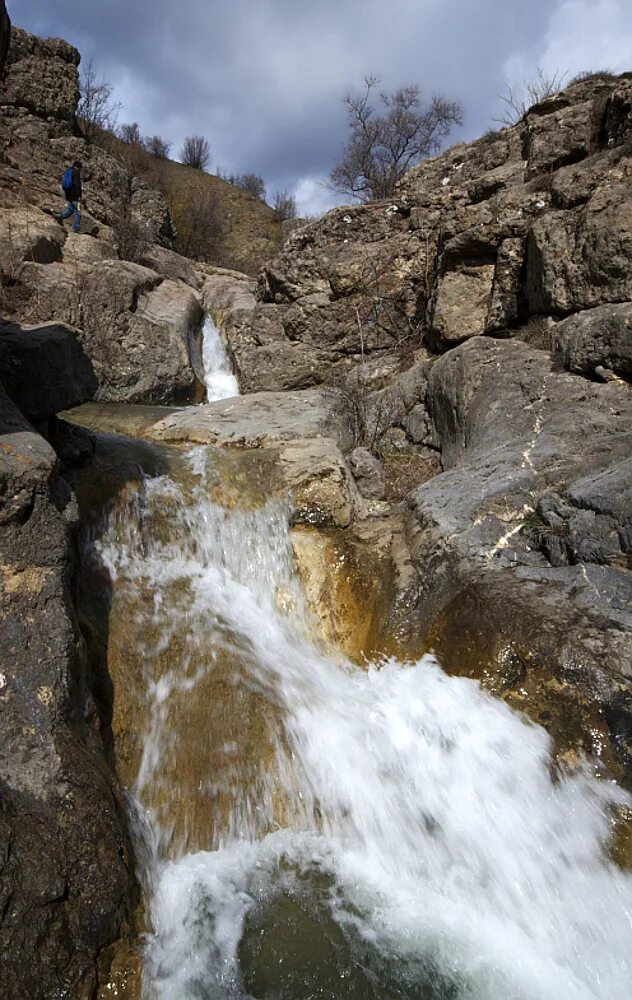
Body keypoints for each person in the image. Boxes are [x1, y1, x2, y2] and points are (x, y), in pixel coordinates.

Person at [56, 160, 83, 233]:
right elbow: (78, 185)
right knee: (78, 211)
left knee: (70, 210)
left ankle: (59, 216)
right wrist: (79, 196)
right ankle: (76, 228)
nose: (80, 170)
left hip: (69, 195)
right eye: (80, 169)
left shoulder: (68, 171)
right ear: (78, 167)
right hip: (75, 197)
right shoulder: (76, 172)